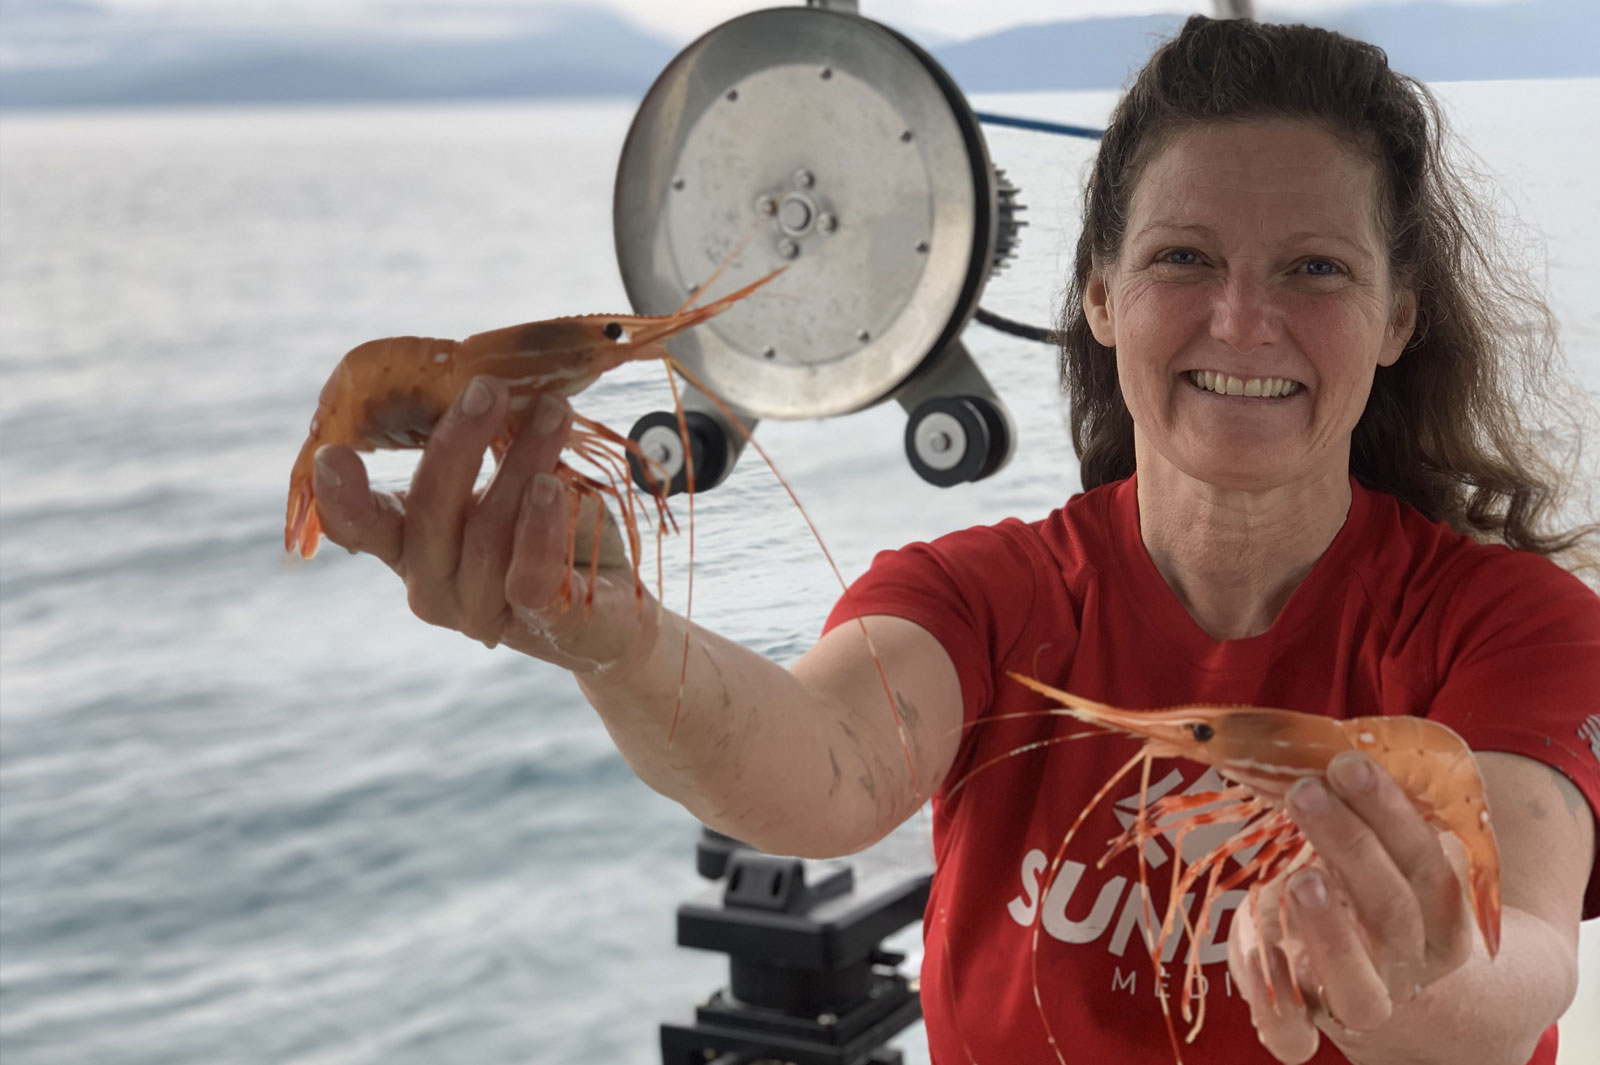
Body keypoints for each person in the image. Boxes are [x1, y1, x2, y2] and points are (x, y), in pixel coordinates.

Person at [309, 16, 1600, 1065]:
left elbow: (1527, 957)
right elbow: (823, 769)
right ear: (1099, 295)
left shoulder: (1518, 622)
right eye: (1184, 257)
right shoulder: (977, 592)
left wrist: (1412, 970)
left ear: (1396, 318)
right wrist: (615, 637)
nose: (1243, 320)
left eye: (1316, 269)